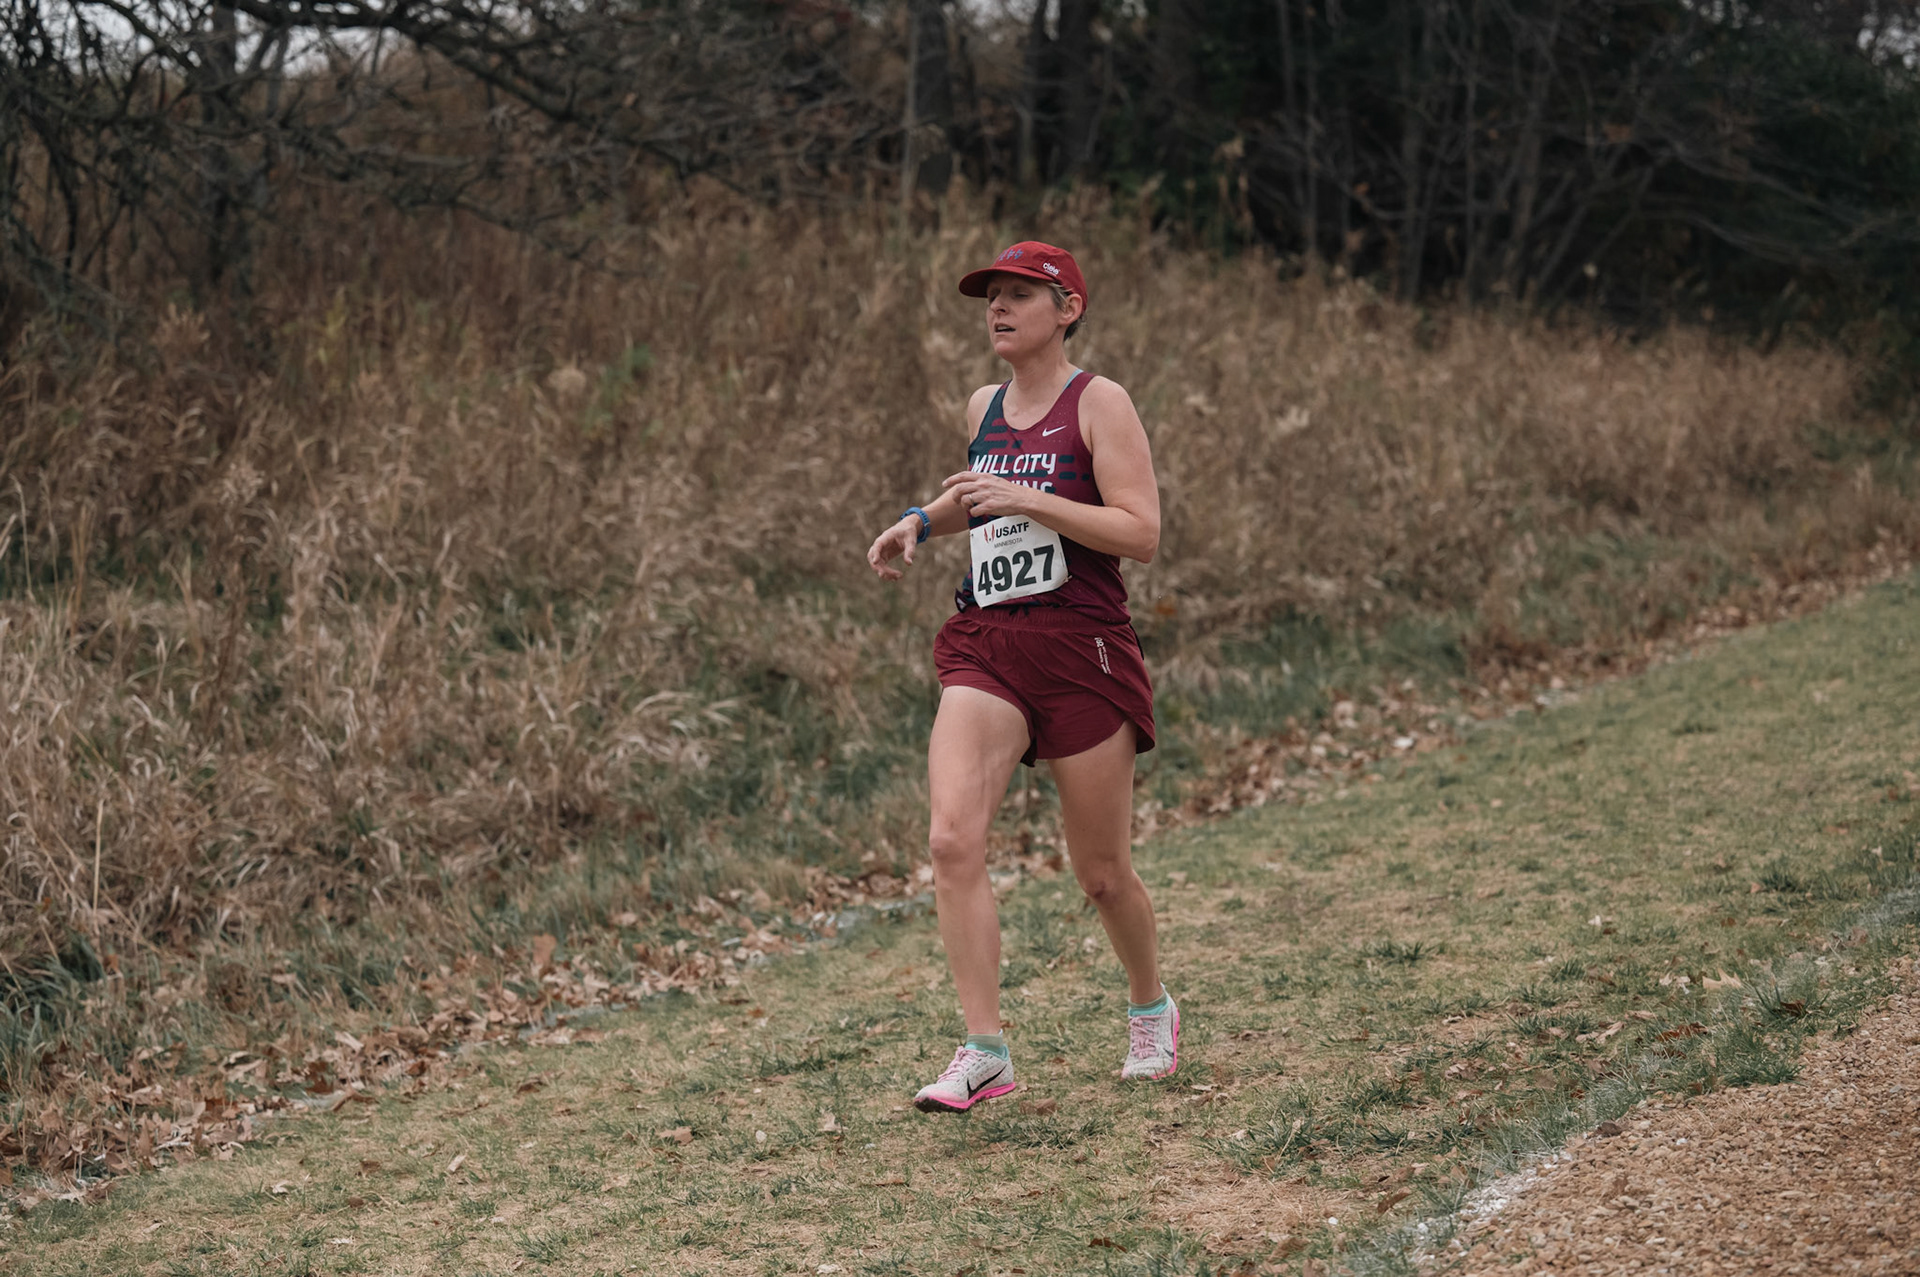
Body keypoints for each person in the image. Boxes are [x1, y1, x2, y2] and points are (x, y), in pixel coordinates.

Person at [866, 241, 1178, 1114]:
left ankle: (1150, 1006)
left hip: (1082, 647)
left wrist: (1032, 499)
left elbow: (1141, 532)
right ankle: (985, 1050)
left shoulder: (1099, 402)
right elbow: (978, 494)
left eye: (1018, 295)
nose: (997, 309)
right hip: (991, 643)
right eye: (990, 297)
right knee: (951, 840)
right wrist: (921, 521)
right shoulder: (985, 405)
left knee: (1102, 873)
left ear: (1067, 308)